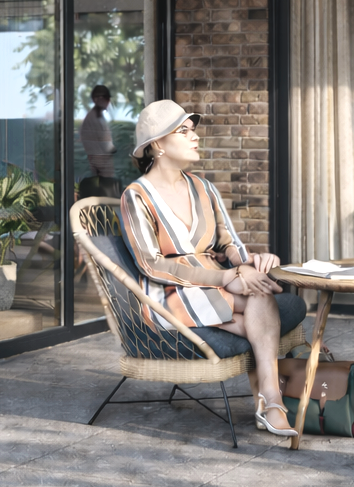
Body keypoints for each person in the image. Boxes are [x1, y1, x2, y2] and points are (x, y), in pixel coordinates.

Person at [119, 99, 298, 437]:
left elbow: (228, 242)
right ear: (157, 144)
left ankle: (270, 398)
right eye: (183, 131)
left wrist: (248, 264)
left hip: (215, 284)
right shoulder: (136, 196)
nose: (195, 137)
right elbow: (151, 265)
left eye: (193, 130)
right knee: (261, 302)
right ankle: (272, 400)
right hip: (167, 294)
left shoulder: (204, 187)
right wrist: (225, 277)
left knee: (257, 293)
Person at [80, 84, 117, 178]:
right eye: (107, 98)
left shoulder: (95, 117)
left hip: (98, 162)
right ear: (98, 99)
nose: (108, 102)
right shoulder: (95, 118)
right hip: (101, 164)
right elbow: (107, 145)